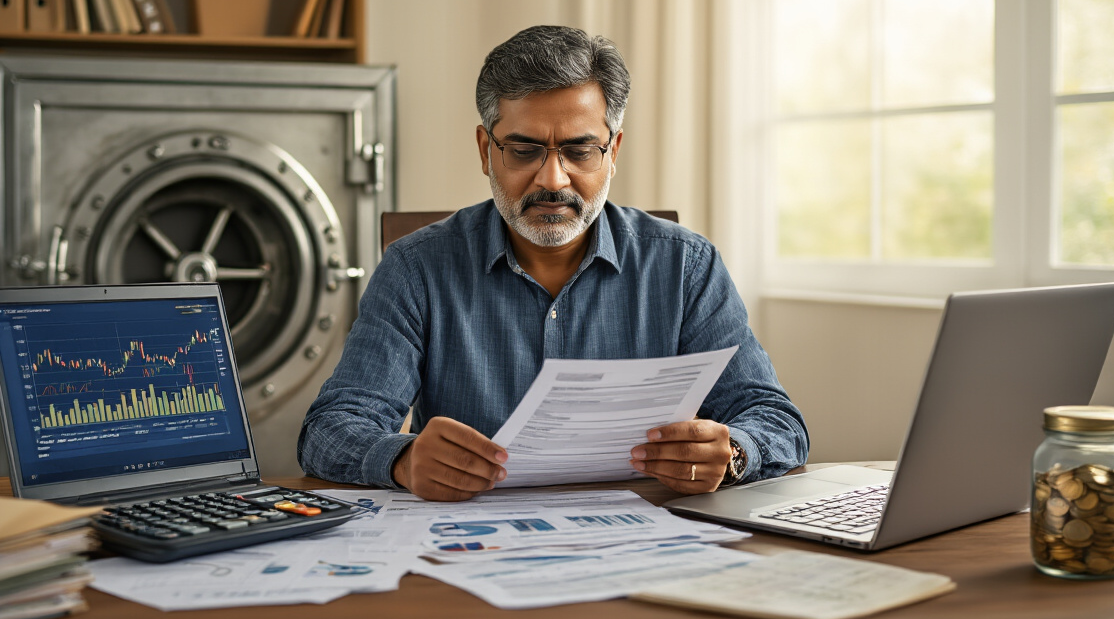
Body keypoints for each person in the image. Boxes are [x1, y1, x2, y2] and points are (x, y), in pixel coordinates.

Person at [299, 25, 808, 501]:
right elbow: (330, 429)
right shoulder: (417, 268)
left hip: (644, 544)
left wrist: (733, 454)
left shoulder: (685, 267)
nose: (553, 180)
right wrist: (403, 460)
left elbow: (776, 421)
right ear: (486, 149)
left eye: (579, 151)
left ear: (613, 152)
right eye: (524, 150)